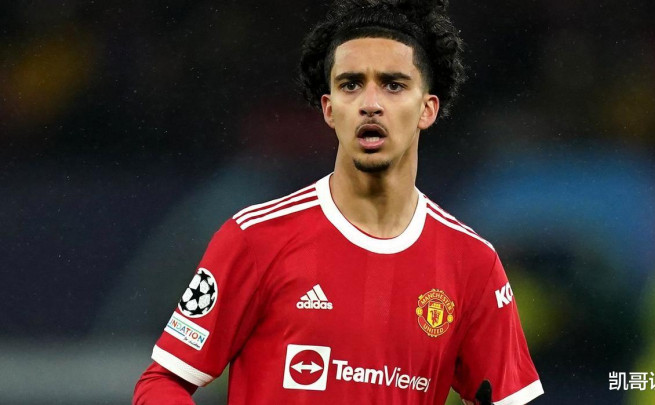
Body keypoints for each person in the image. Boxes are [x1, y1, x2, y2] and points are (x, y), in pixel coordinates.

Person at [133, 0, 543, 403]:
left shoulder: (473, 264)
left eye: (393, 85)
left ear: (427, 109)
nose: (370, 104)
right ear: (329, 109)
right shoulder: (255, 240)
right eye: (350, 84)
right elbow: (162, 382)